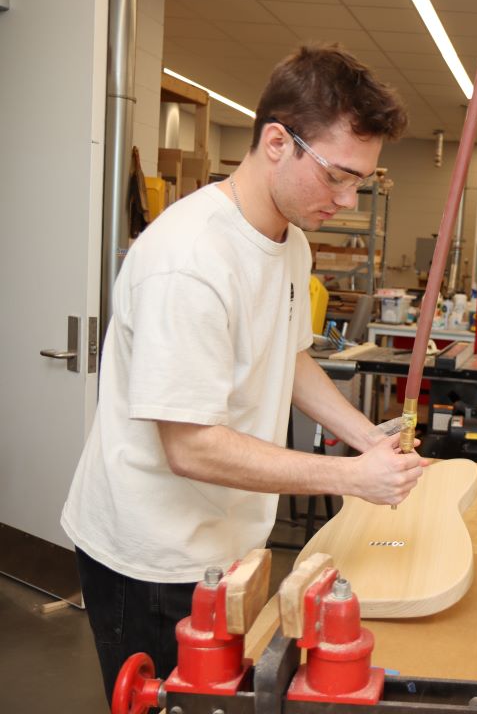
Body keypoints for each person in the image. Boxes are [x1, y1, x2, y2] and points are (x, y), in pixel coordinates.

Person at [60, 45, 425, 700]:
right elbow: (190, 446)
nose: (346, 199)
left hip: (228, 543)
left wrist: (366, 436)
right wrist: (350, 476)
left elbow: (286, 354)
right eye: (337, 176)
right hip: (149, 556)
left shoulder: (291, 238)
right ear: (278, 142)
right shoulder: (191, 259)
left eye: (361, 183)